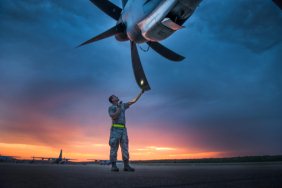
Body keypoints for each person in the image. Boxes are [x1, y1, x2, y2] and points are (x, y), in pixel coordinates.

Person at [108, 90, 144, 172]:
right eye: (114, 96)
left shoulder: (123, 105)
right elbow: (113, 116)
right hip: (115, 130)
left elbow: (133, 101)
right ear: (112, 100)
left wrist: (141, 93)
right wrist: (119, 108)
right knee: (114, 147)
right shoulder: (111, 108)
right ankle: (113, 166)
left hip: (123, 129)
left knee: (125, 147)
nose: (116, 96)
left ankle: (126, 165)